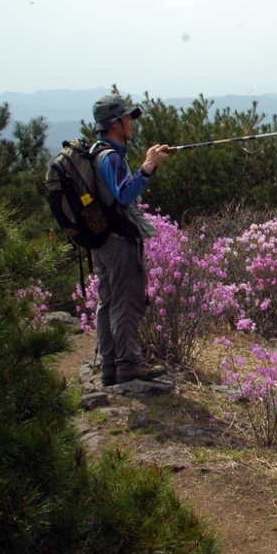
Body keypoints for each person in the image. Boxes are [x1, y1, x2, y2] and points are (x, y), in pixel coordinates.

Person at [91, 92, 173, 386]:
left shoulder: (97, 152)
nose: (133, 123)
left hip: (102, 241)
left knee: (108, 301)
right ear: (115, 123)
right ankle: (128, 365)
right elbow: (125, 195)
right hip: (119, 241)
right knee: (126, 301)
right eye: (129, 118)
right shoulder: (110, 158)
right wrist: (147, 168)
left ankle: (110, 367)